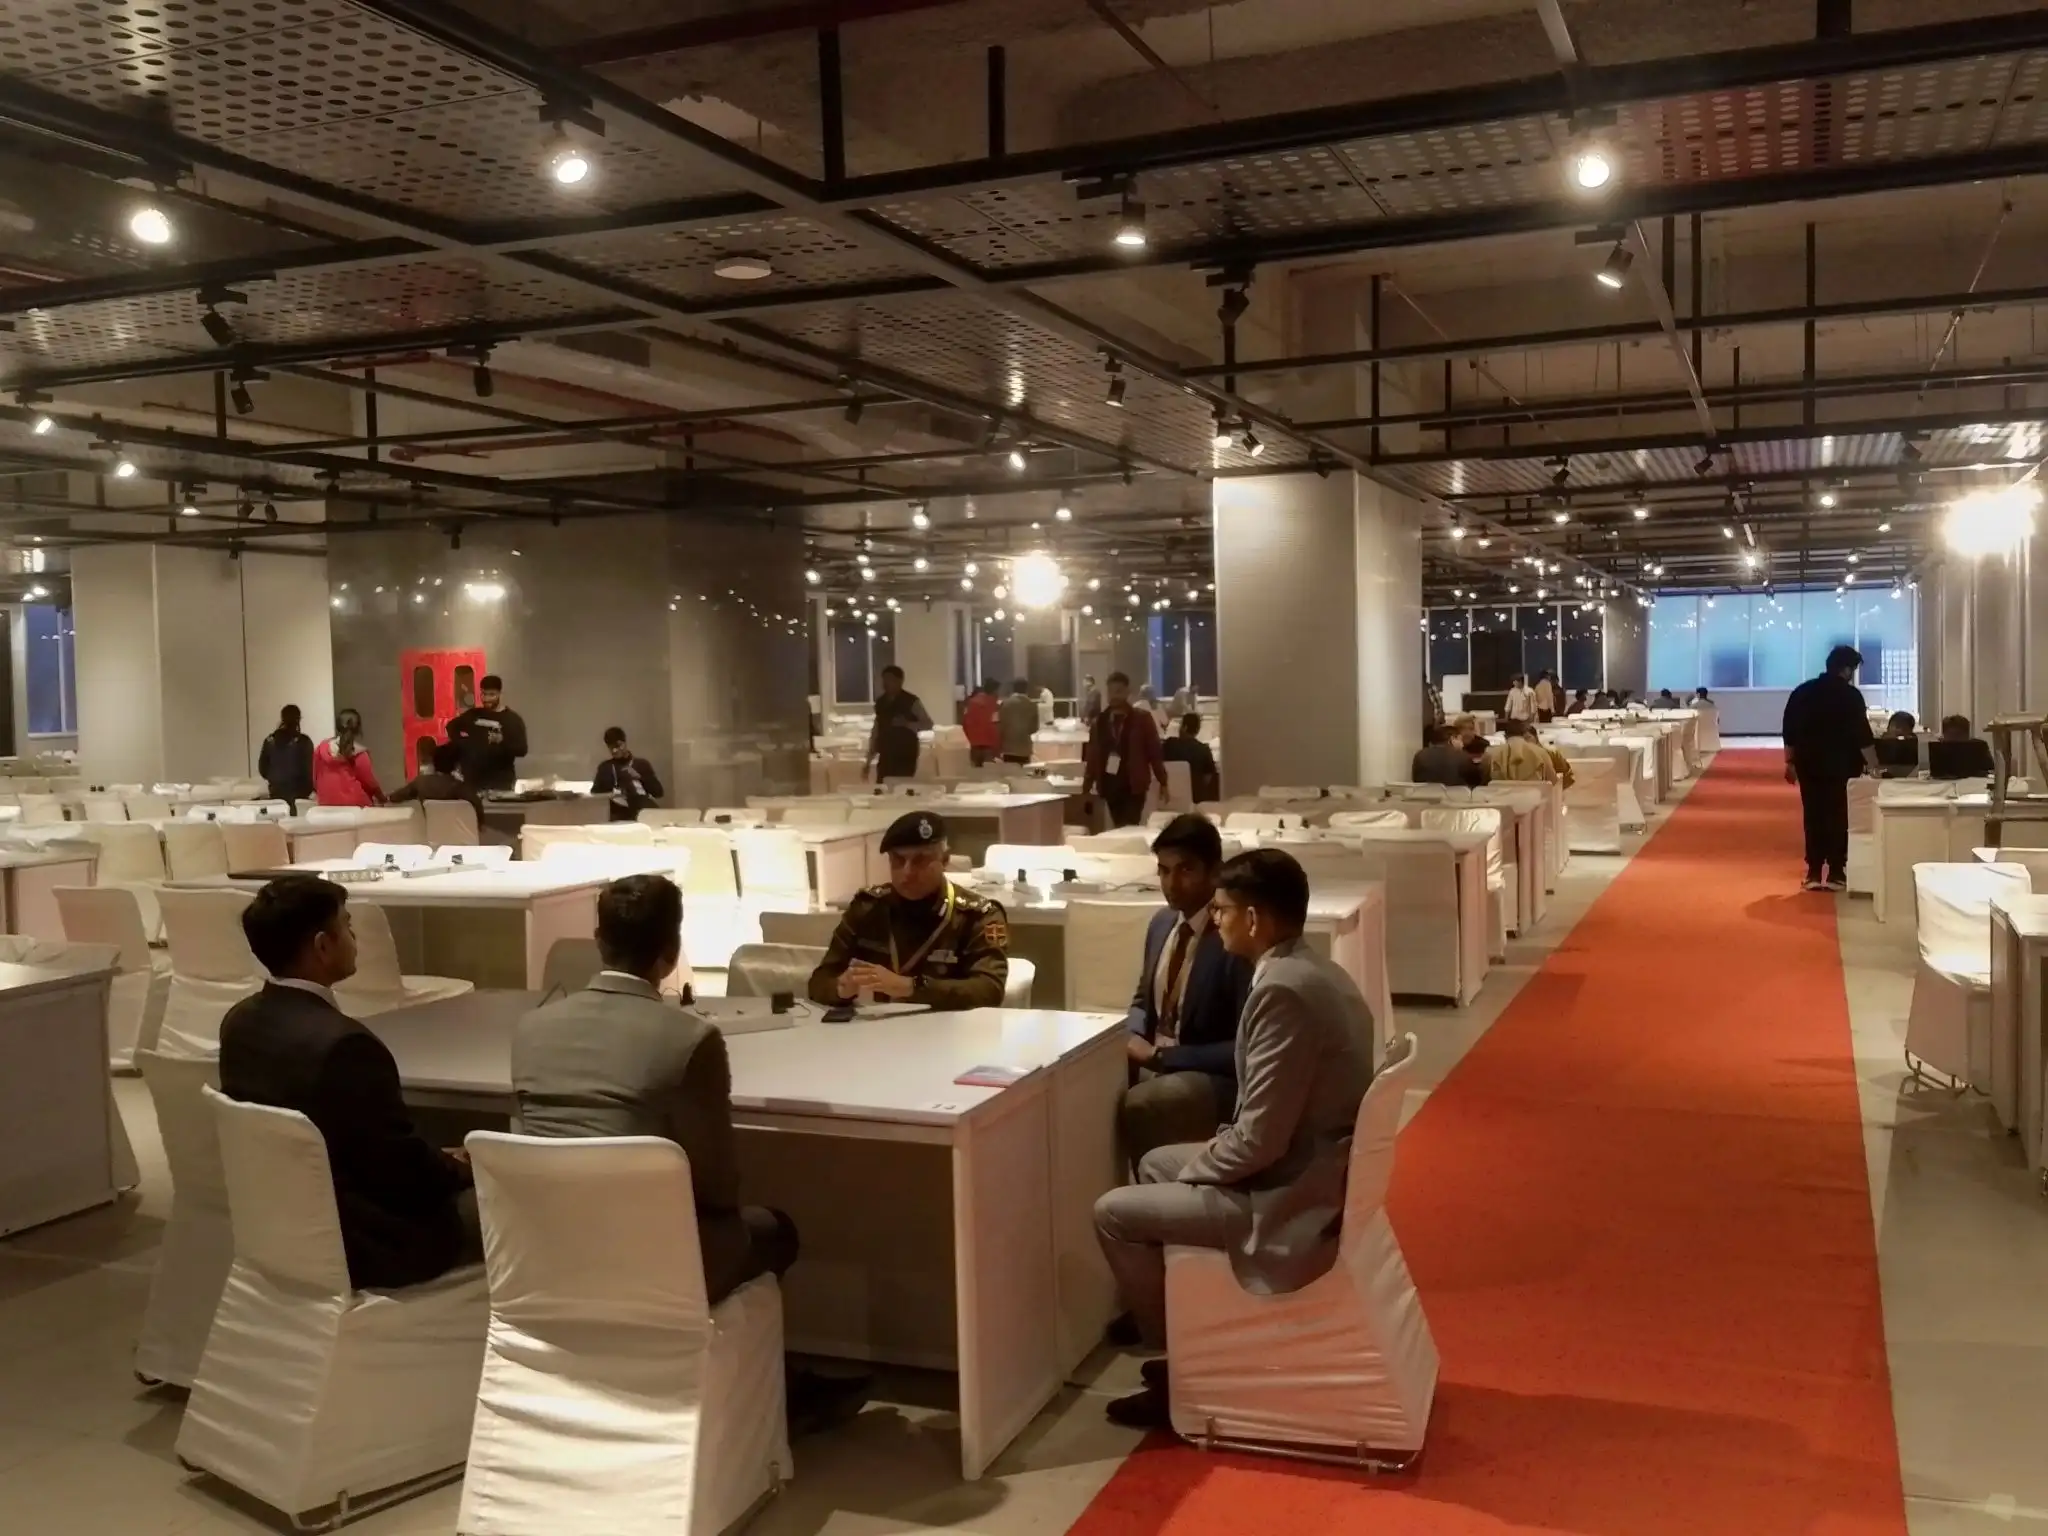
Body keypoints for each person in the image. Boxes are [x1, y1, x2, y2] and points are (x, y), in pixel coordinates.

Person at [513, 875, 868, 1433]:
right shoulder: (687, 1039)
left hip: (546, 1254)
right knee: (775, 1231)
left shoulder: (531, 1030)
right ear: (672, 950)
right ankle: (771, 1398)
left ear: (599, 942)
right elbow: (717, 1185)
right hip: (659, 1263)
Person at [1093, 848, 1376, 1430]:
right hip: (1309, 1163)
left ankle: (1185, 1371)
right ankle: (1200, 1326)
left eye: (1221, 910)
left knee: (1113, 1213)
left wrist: (1198, 1171)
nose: (1214, 919)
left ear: (1252, 918)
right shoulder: (1314, 970)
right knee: (1155, 1162)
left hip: (1289, 1196)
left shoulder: (1283, 990)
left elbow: (1259, 1143)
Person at [218, 875, 478, 1290]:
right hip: (369, 1244)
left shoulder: (240, 1022)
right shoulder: (345, 1045)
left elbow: (367, 1146)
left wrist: (434, 1157)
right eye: (348, 926)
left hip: (281, 1229)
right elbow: (400, 1173)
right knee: (515, 1201)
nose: (355, 939)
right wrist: (465, 1167)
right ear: (323, 946)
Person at [1120, 815, 1254, 1162]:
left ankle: (1154, 1185)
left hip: (1209, 1074)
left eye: (1185, 870)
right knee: (1084, 1082)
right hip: (1155, 1057)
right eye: (1164, 871)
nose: (1171, 883)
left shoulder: (1233, 938)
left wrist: (1161, 1057)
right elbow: (1142, 1001)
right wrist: (1130, 1034)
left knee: (1144, 1102)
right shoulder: (1161, 923)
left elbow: (1245, 1045)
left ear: (1215, 872)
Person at [808, 812, 1009, 1009]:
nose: (907, 872)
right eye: (898, 860)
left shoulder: (978, 915)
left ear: (945, 860)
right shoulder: (867, 908)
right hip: (876, 1026)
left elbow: (989, 989)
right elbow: (819, 981)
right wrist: (840, 989)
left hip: (946, 1026)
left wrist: (911, 987)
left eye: (920, 861)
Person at [1781, 644, 1879, 892]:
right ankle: (1836, 871)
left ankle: (1814, 871)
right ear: (1846, 670)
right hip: (1843, 765)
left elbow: (1789, 730)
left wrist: (1789, 762)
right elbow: (1862, 734)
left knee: (1813, 814)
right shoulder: (1851, 696)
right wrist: (1875, 765)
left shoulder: (1802, 692)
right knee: (1839, 815)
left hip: (1809, 762)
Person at [1084, 672, 1169, 828]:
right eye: (1111, 691)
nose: (1114, 696)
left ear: (1127, 692)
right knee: (1119, 825)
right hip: (1109, 785)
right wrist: (1087, 785)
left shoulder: (1142, 719)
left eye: (1118, 691)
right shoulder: (1100, 722)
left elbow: (1154, 752)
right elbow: (1093, 755)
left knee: (1129, 824)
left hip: (1134, 784)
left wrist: (1163, 781)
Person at [446, 674, 528, 793]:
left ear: (500, 694)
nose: (487, 699)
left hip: (500, 784)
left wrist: (502, 741)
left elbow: (522, 750)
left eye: (492, 695)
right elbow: (451, 727)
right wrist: (463, 744)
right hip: (472, 784)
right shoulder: (474, 714)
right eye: (484, 694)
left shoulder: (512, 720)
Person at [865, 664, 932, 782]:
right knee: (882, 785)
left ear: (900, 681)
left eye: (890, 679)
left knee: (902, 785)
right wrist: (868, 760)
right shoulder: (881, 703)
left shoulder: (911, 701)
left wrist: (907, 724)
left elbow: (928, 724)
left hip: (905, 754)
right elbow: (876, 730)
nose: (886, 683)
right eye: (884, 680)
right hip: (886, 753)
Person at [390, 739, 484, 820]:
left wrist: (387, 798)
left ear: (434, 762)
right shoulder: (458, 786)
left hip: (430, 831)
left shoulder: (420, 782)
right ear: (454, 765)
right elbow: (477, 803)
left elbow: (396, 797)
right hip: (455, 830)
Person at [312, 708, 385, 806]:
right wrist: (382, 798)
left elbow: (315, 779)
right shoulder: (360, 754)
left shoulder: (320, 749)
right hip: (356, 804)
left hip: (325, 803)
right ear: (358, 729)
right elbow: (370, 783)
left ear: (337, 727)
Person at [591, 726, 665, 819]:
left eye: (618, 745)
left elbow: (658, 793)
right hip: (619, 813)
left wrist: (640, 778)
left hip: (645, 811)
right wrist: (612, 791)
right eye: (611, 747)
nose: (614, 750)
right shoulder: (605, 768)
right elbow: (595, 794)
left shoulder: (642, 764)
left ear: (625, 743)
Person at [257, 704, 314, 808]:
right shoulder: (304, 741)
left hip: (276, 793)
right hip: (300, 795)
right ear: (299, 719)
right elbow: (310, 770)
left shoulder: (269, 740)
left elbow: (262, 769)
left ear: (282, 718)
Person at [1162, 712, 1220, 802]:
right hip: (1195, 798)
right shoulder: (1203, 749)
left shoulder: (1169, 744)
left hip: (1169, 795)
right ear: (1197, 730)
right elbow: (1208, 777)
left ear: (1184, 727)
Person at [1486, 719, 1558, 782]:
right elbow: (1552, 780)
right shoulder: (1541, 753)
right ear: (1524, 734)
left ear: (1505, 736)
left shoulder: (1493, 754)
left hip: (1502, 793)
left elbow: (1487, 782)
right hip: (1534, 793)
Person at [1928, 715, 1998, 780]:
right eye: (1951, 735)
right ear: (1944, 734)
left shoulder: (1979, 746)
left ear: (1967, 734)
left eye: (1958, 735)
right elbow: (1934, 772)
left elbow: (1990, 769)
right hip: (1943, 782)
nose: (1955, 739)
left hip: (1974, 783)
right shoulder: (1938, 748)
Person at [998, 678, 1039, 767]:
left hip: (1008, 747)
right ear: (1026, 689)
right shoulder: (1031, 705)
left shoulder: (1005, 704)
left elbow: (1000, 725)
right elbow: (1034, 728)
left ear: (1013, 688)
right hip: (1024, 748)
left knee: (1010, 773)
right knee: (1023, 774)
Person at [961, 683, 1002, 768]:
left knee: (975, 773)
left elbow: (965, 724)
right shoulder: (994, 705)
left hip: (974, 746)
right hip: (989, 746)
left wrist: (971, 739)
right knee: (988, 773)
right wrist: (997, 748)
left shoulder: (970, 704)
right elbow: (995, 726)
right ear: (994, 691)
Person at [1873, 711, 1921, 777]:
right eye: (1896, 726)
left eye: (1904, 728)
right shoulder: (1880, 742)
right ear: (1888, 727)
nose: (1899, 730)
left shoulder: (1914, 743)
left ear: (1910, 731)